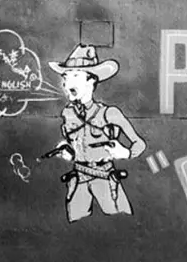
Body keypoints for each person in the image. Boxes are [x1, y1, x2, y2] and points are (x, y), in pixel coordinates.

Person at [46, 43, 146, 222]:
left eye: (75, 75)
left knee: (121, 222)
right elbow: (73, 142)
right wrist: (67, 150)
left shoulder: (109, 113)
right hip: (78, 180)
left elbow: (140, 144)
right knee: (75, 226)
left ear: (91, 80)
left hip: (105, 179)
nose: (67, 82)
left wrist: (126, 153)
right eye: (66, 76)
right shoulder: (68, 113)